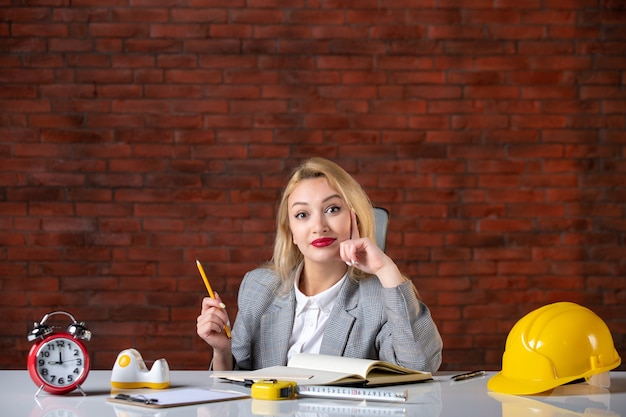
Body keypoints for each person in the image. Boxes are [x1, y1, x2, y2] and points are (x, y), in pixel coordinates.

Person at [196, 157, 443, 372]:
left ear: (353, 216)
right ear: (290, 231)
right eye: (302, 215)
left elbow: (419, 368)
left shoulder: (380, 297)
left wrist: (386, 270)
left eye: (332, 209)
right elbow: (234, 385)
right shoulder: (259, 287)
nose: (319, 226)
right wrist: (222, 351)